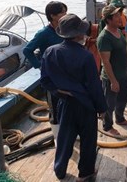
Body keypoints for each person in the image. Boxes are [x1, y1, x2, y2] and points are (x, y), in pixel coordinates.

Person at [40, 14, 107, 181]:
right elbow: (94, 86)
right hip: (85, 105)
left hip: (65, 103)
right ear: (79, 35)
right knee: (88, 140)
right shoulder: (86, 56)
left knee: (64, 138)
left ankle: (60, 170)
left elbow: (45, 81)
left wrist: (59, 92)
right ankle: (85, 173)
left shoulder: (50, 52)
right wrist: (102, 108)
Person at [23, 1, 67, 144]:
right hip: (51, 78)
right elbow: (27, 50)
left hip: (66, 75)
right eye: (62, 13)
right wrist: (40, 65)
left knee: (67, 105)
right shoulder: (43, 34)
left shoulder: (65, 30)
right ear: (52, 16)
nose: (65, 15)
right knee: (54, 107)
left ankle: (68, 132)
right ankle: (58, 138)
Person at [97, 5, 127, 136]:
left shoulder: (118, 31)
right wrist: (113, 81)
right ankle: (107, 126)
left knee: (124, 97)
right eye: (116, 16)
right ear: (108, 19)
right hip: (111, 78)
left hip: (123, 74)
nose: (120, 18)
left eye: (120, 14)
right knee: (109, 104)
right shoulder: (104, 38)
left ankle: (120, 118)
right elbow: (105, 61)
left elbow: (124, 47)